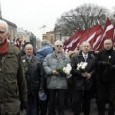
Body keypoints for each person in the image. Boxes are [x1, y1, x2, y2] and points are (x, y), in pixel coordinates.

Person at [0, 19, 27, 115]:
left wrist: (24, 99)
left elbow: (21, 78)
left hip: (11, 106)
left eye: (1, 32)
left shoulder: (15, 52)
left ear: (7, 35)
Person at [43, 40, 70, 115]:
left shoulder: (66, 57)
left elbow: (69, 67)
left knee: (61, 104)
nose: (59, 47)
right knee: (51, 103)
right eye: (57, 46)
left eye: (60, 46)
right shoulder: (48, 57)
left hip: (62, 83)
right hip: (52, 82)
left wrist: (65, 71)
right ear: (54, 47)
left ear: (62, 47)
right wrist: (51, 71)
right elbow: (45, 65)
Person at [71, 41, 96, 115]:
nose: (86, 48)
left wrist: (90, 74)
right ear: (81, 47)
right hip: (78, 83)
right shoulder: (75, 57)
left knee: (87, 103)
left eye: (87, 46)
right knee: (77, 102)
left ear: (90, 48)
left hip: (88, 83)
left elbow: (95, 68)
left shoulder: (93, 58)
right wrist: (80, 73)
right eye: (84, 46)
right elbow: (72, 68)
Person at [21, 43, 44, 115]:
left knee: (34, 107)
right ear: (25, 50)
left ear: (33, 50)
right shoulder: (21, 60)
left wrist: (41, 87)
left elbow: (42, 75)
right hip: (24, 88)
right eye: (27, 49)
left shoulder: (38, 61)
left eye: (30, 49)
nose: (29, 50)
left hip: (35, 88)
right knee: (26, 107)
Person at [96, 39, 115, 115]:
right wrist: (101, 63)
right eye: (106, 44)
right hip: (101, 81)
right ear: (104, 45)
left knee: (112, 100)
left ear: (112, 44)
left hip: (113, 81)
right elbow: (96, 63)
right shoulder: (100, 53)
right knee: (101, 99)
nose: (107, 45)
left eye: (109, 44)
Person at [36, 40, 54, 115]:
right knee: (52, 97)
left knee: (42, 96)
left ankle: (42, 112)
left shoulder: (37, 54)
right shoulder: (52, 52)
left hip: (41, 78)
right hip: (51, 77)